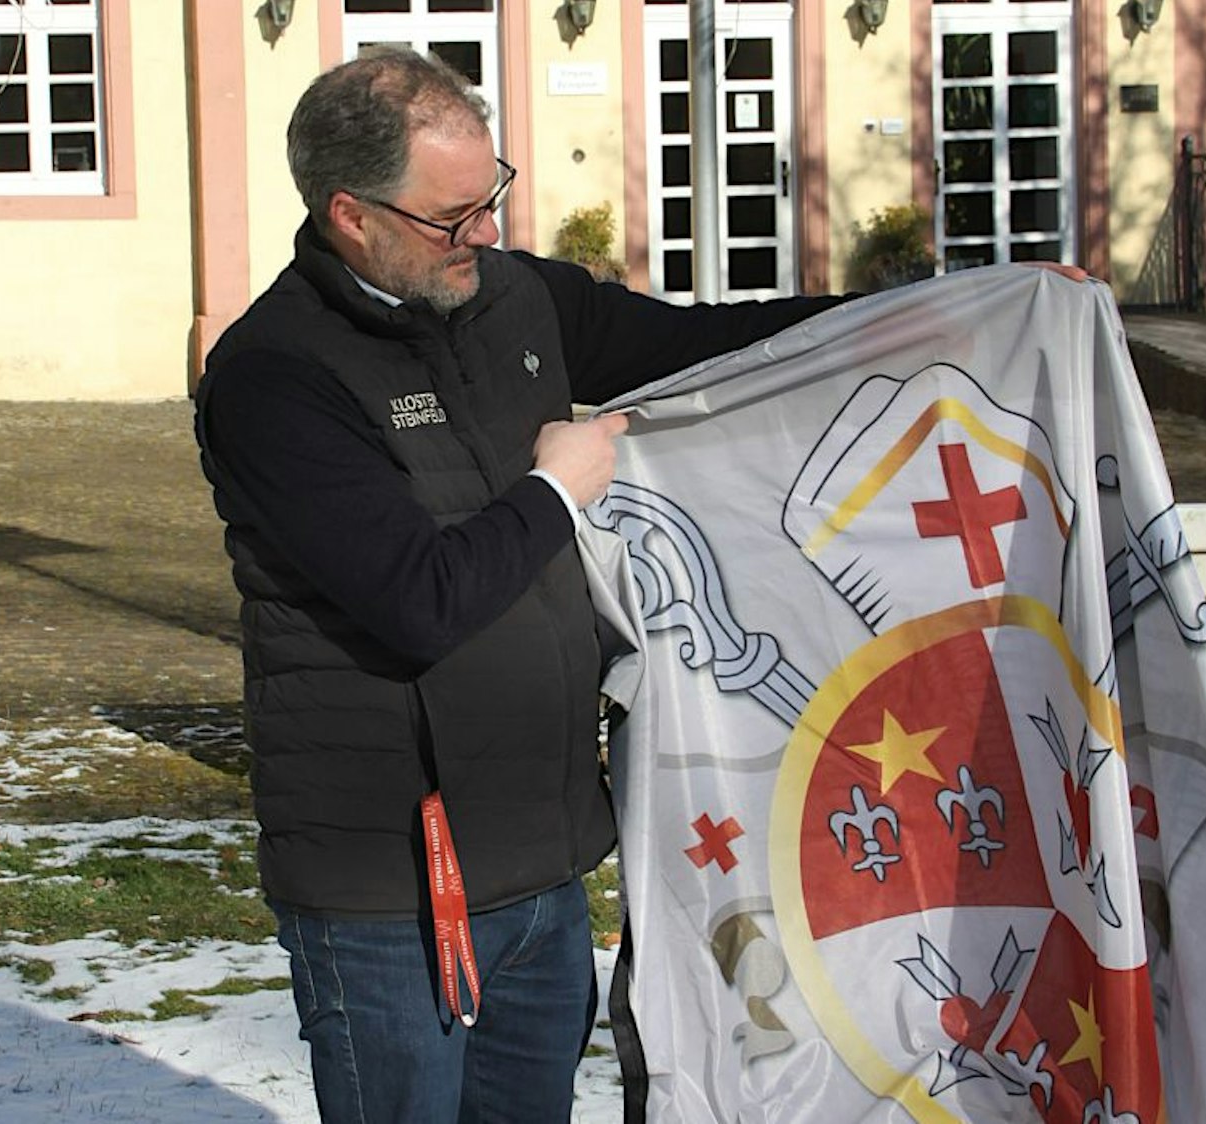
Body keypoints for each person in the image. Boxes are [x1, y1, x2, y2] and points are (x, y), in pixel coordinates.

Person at [193, 48, 851, 1122]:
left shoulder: (517, 300)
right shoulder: (275, 376)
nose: (486, 234)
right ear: (351, 216)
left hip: (539, 864)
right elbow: (417, 599)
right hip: (387, 888)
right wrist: (556, 486)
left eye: (490, 196)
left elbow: (710, 346)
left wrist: (952, 305)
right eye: (453, 218)